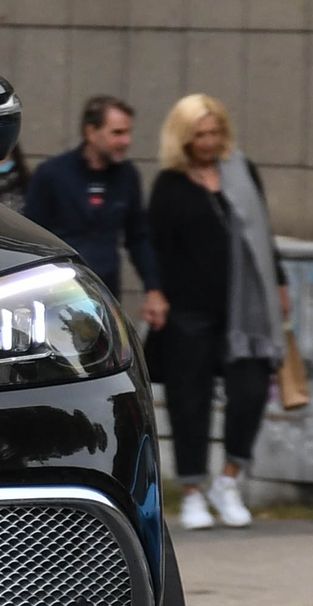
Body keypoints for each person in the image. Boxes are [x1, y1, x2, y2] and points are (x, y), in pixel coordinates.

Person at [147, 93, 287, 531]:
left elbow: (262, 233)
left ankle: (229, 480)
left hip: (243, 307)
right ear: (183, 138)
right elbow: (155, 246)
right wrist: (155, 292)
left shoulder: (241, 173)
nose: (209, 142)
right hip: (189, 308)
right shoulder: (169, 185)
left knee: (249, 392)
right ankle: (192, 490)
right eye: (200, 135)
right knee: (190, 402)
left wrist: (279, 282)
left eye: (215, 132)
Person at [21, 95, 163, 324]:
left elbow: (138, 237)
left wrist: (153, 288)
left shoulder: (127, 176)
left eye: (128, 132)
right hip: (56, 298)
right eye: (117, 133)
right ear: (91, 132)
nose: (126, 141)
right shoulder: (52, 174)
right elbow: (30, 237)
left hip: (105, 295)